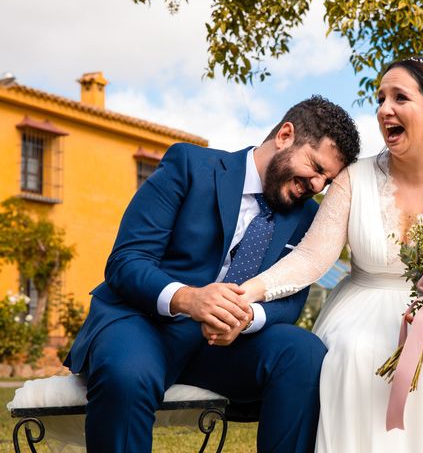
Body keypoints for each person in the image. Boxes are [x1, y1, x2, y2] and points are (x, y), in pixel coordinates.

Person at [239, 57, 423, 452]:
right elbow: (310, 258)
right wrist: (248, 293)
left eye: (400, 97)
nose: (384, 109)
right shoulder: (353, 179)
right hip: (360, 311)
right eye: (380, 98)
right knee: (356, 357)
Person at [64, 95, 361, 453]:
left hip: (228, 347)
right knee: (127, 377)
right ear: (285, 135)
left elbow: (291, 297)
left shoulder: (306, 218)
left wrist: (247, 316)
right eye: (315, 167)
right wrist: (189, 298)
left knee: (304, 352)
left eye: (326, 180)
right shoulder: (190, 165)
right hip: (145, 324)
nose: (316, 185)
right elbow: (127, 261)